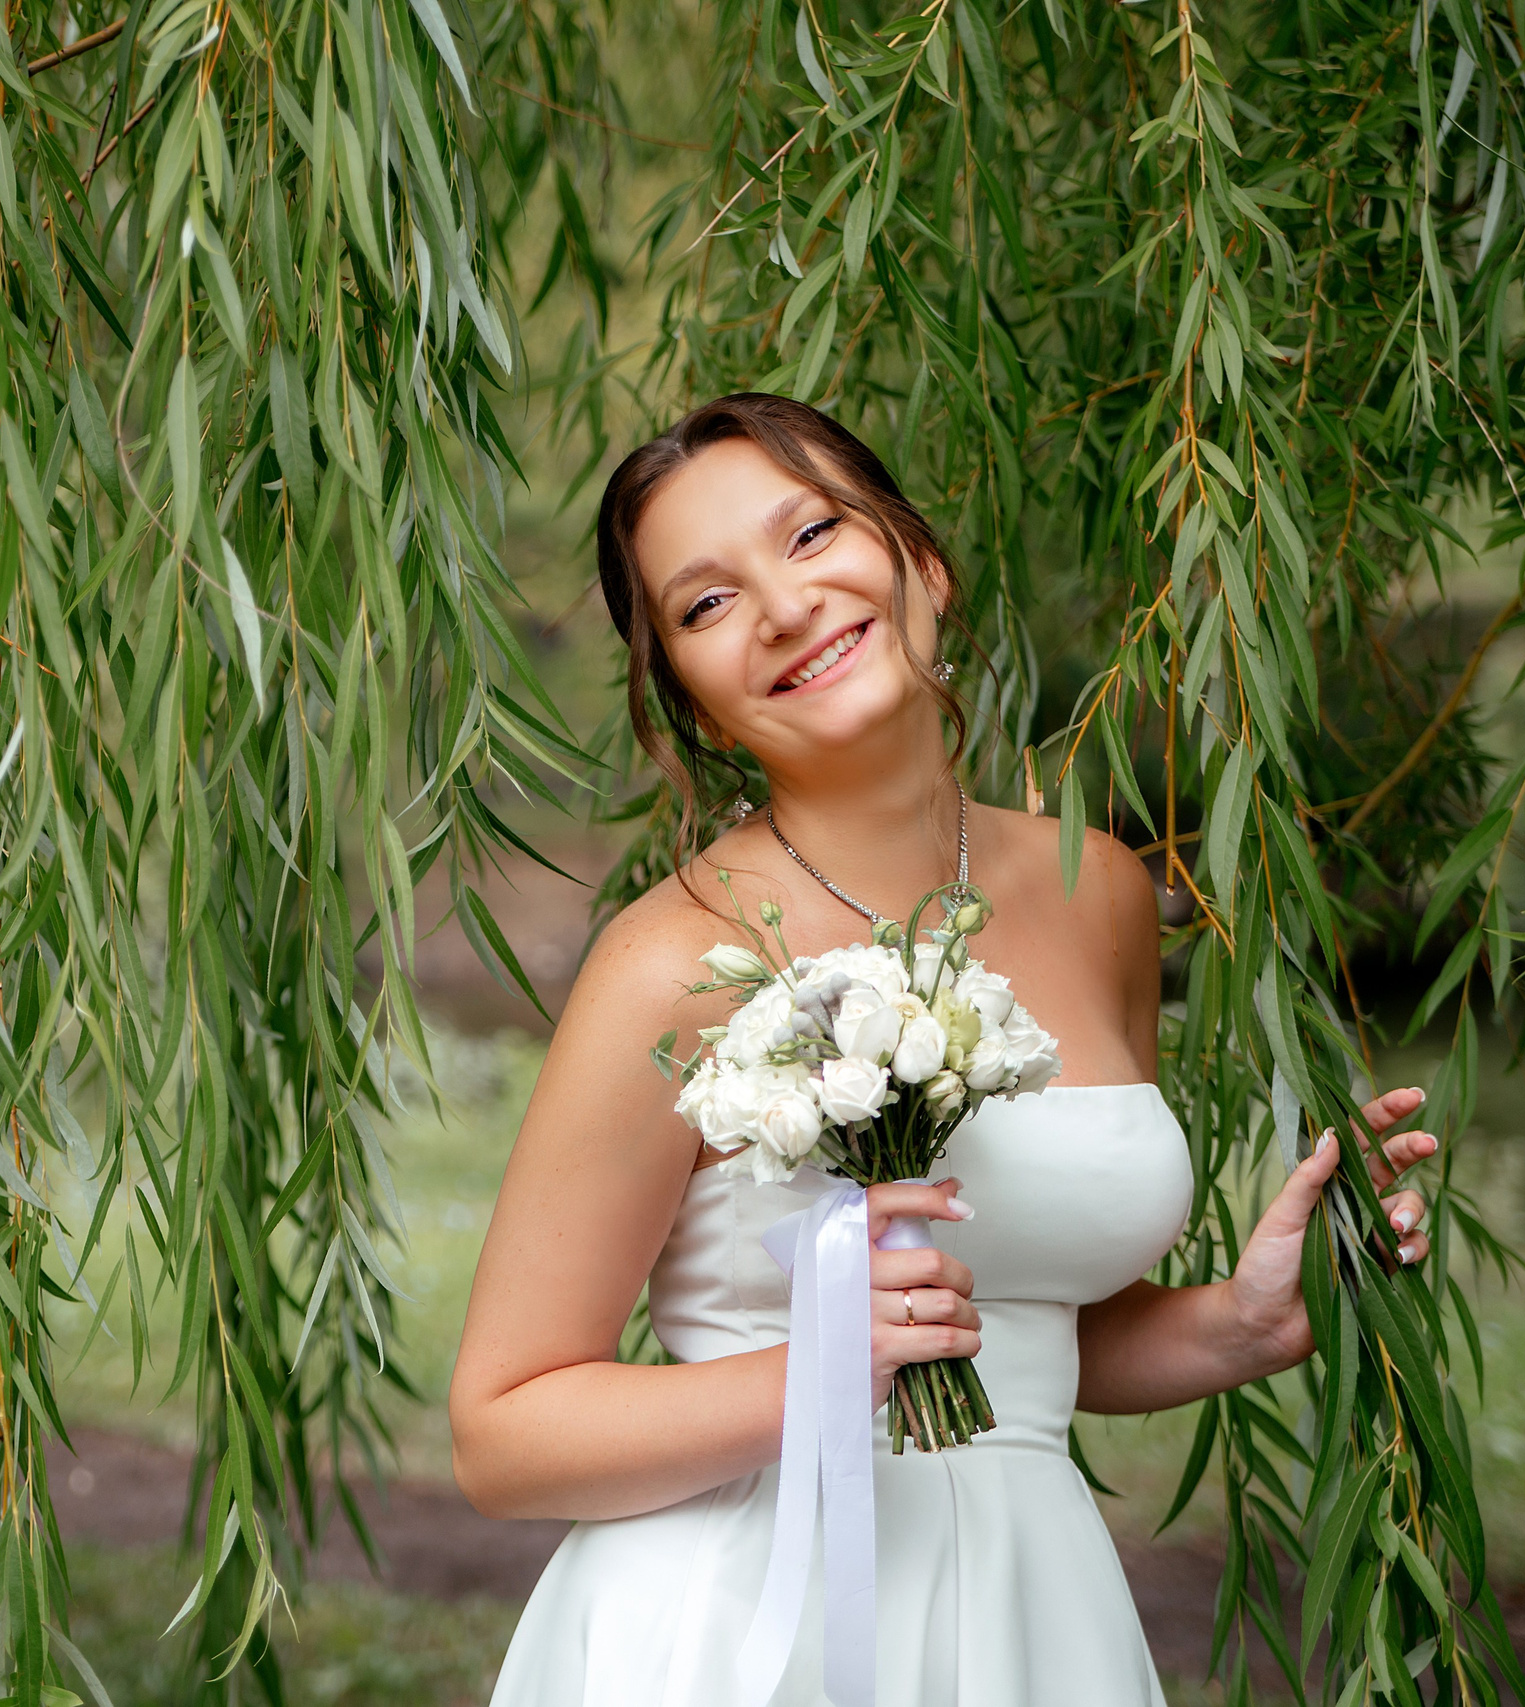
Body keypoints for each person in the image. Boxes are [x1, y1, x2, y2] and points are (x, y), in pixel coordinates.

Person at [449, 394, 1439, 1706]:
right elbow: (502, 1431)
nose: (785, 605)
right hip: (743, 1627)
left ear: (922, 561)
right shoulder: (673, 963)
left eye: (811, 534)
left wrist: (1239, 1323)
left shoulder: (1100, 895)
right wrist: (820, 1372)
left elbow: (1028, 1337)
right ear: (683, 695)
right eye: (704, 604)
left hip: (1033, 1619)